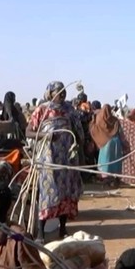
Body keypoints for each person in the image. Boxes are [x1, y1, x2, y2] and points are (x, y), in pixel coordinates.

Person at [27, 81, 84, 240]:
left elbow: (78, 131)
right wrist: (46, 135)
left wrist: (78, 146)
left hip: (67, 159)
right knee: (48, 193)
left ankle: (63, 229)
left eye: (64, 92)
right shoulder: (42, 110)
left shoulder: (69, 110)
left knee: (65, 193)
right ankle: (40, 232)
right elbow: (29, 132)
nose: (62, 95)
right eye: (58, 92)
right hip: (48, 160)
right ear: (50, 93)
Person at [90, 104, 124, 186]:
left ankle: (106, 179)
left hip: (105, 144)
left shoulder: (99, 119)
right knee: (115, 161)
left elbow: (94, 128)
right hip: (116, 142)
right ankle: (115, 180)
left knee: (106, 161)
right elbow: (120, 132)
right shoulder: (115, 120)